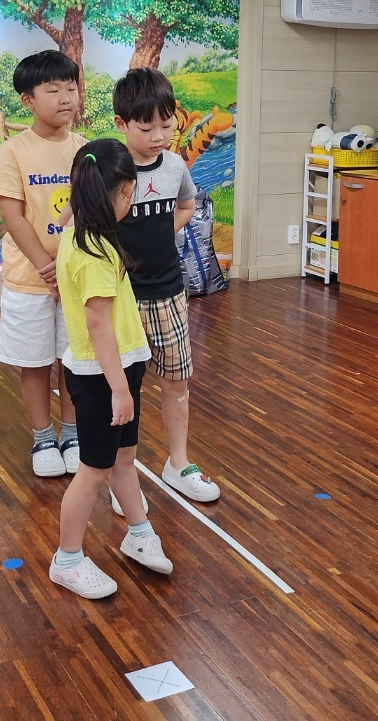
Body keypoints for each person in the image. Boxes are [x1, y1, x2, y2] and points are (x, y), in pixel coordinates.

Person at [50, 139, 173, 599]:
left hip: (121, 368)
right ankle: (67, 560)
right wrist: (119, 389)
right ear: (117, 194)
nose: (132, 201)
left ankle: (139, 533)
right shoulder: (94, 254)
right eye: (129, 193)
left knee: (123, 459)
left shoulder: (80, 233)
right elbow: (98, 325)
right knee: (93, 470)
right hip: (103, 377)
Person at [110, 68, 221, 509]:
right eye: (146, 127)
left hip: (170, 295)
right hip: (121, 300)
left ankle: (178, 464)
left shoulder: (175, 166)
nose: (159, 136)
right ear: (121, 124)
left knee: (177, 382)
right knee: (126, 391)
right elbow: (83, 221)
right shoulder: (111, 169)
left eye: (166, 124)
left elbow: (188, 205)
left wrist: (160, 235)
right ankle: (122, 477)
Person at [0, 50, 86, 477]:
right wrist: (47, 266)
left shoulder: (85, 150)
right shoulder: (14, 151)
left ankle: (72, 433)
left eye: (71, 88)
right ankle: (43, 436)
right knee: (36, 361)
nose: (66, 98)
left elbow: (90, 209)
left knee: (74, 360)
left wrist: (66, 266)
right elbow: (12, 216)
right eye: (53, 90)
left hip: (76, 279)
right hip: (30, 280)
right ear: (28, 99)